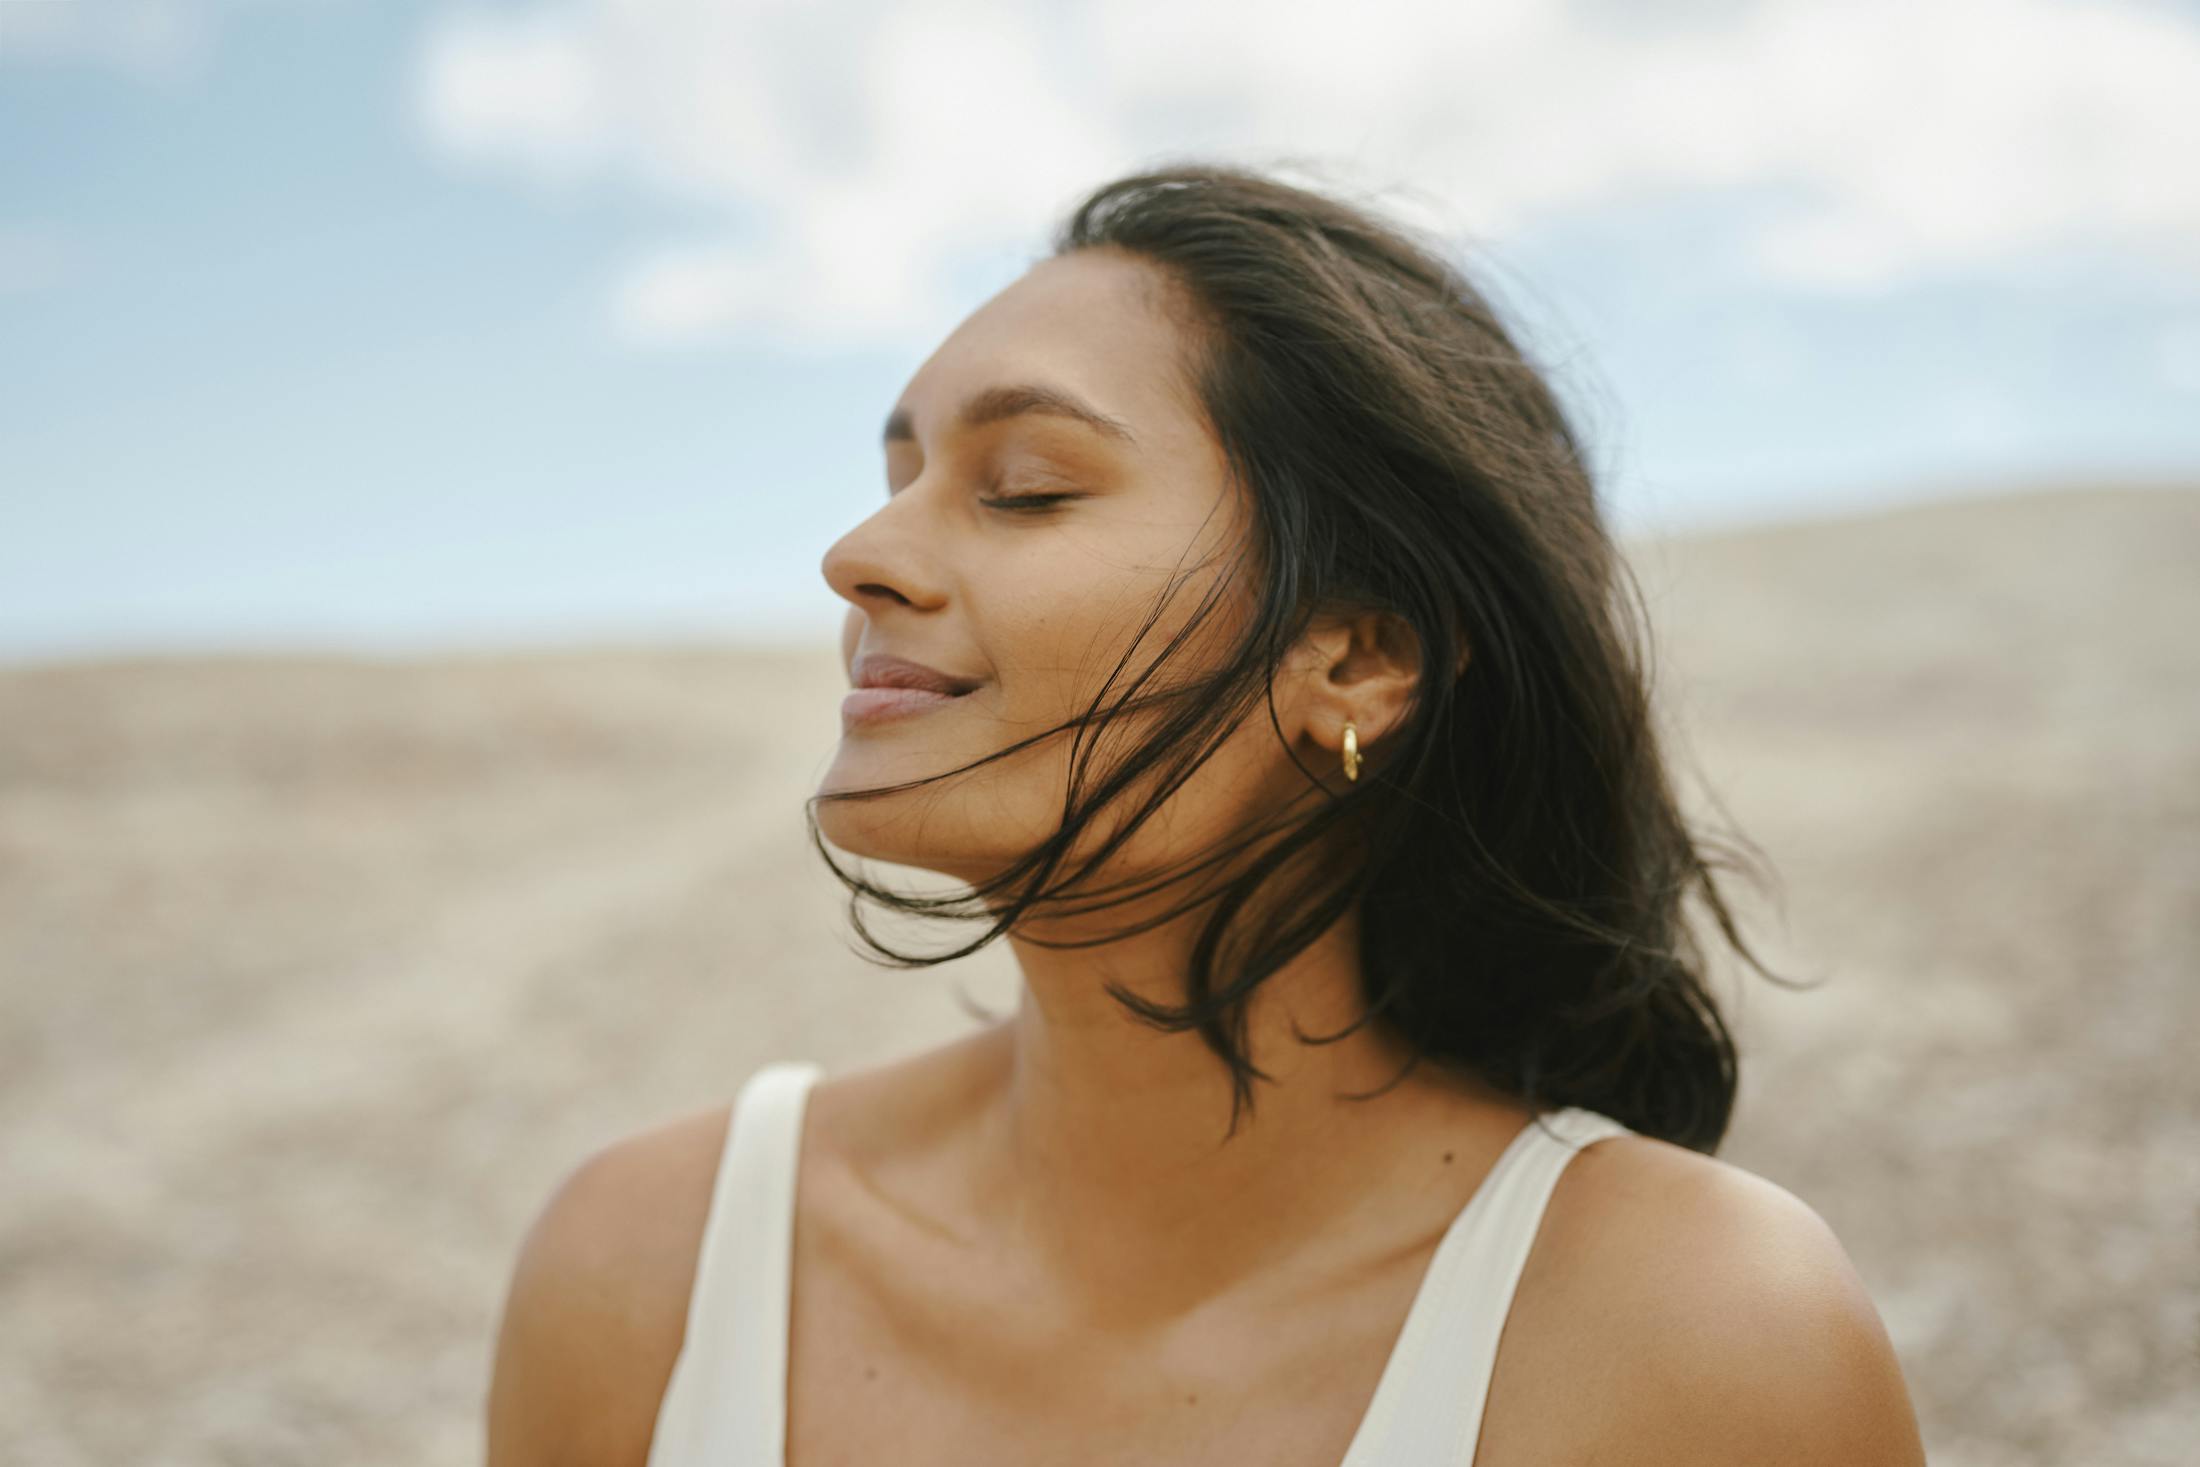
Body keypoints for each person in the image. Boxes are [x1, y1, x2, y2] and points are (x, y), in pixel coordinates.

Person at [485, 162, 1928, 1466]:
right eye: (899, 479)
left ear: (1357, 658)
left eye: (1027, 489)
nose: (859, 556)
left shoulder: (1700, 1336)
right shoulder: (651, 1261)